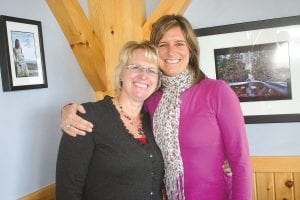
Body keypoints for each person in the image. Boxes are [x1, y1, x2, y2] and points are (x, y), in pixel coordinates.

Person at [60, 15, 252, 200]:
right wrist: (69, 110)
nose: (171, 52)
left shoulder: (217, 92)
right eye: (162, 45)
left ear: (191, 49)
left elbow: (240, 161)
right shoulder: (152, 100)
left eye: (179, 43)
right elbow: (115, 112)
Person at [56, 41, 165, 200]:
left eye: (151, 70)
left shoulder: (154, 120)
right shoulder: (87, 117)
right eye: (135, 67)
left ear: (157, 81)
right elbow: (68, 191)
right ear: (121, 73)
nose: (143, 75)